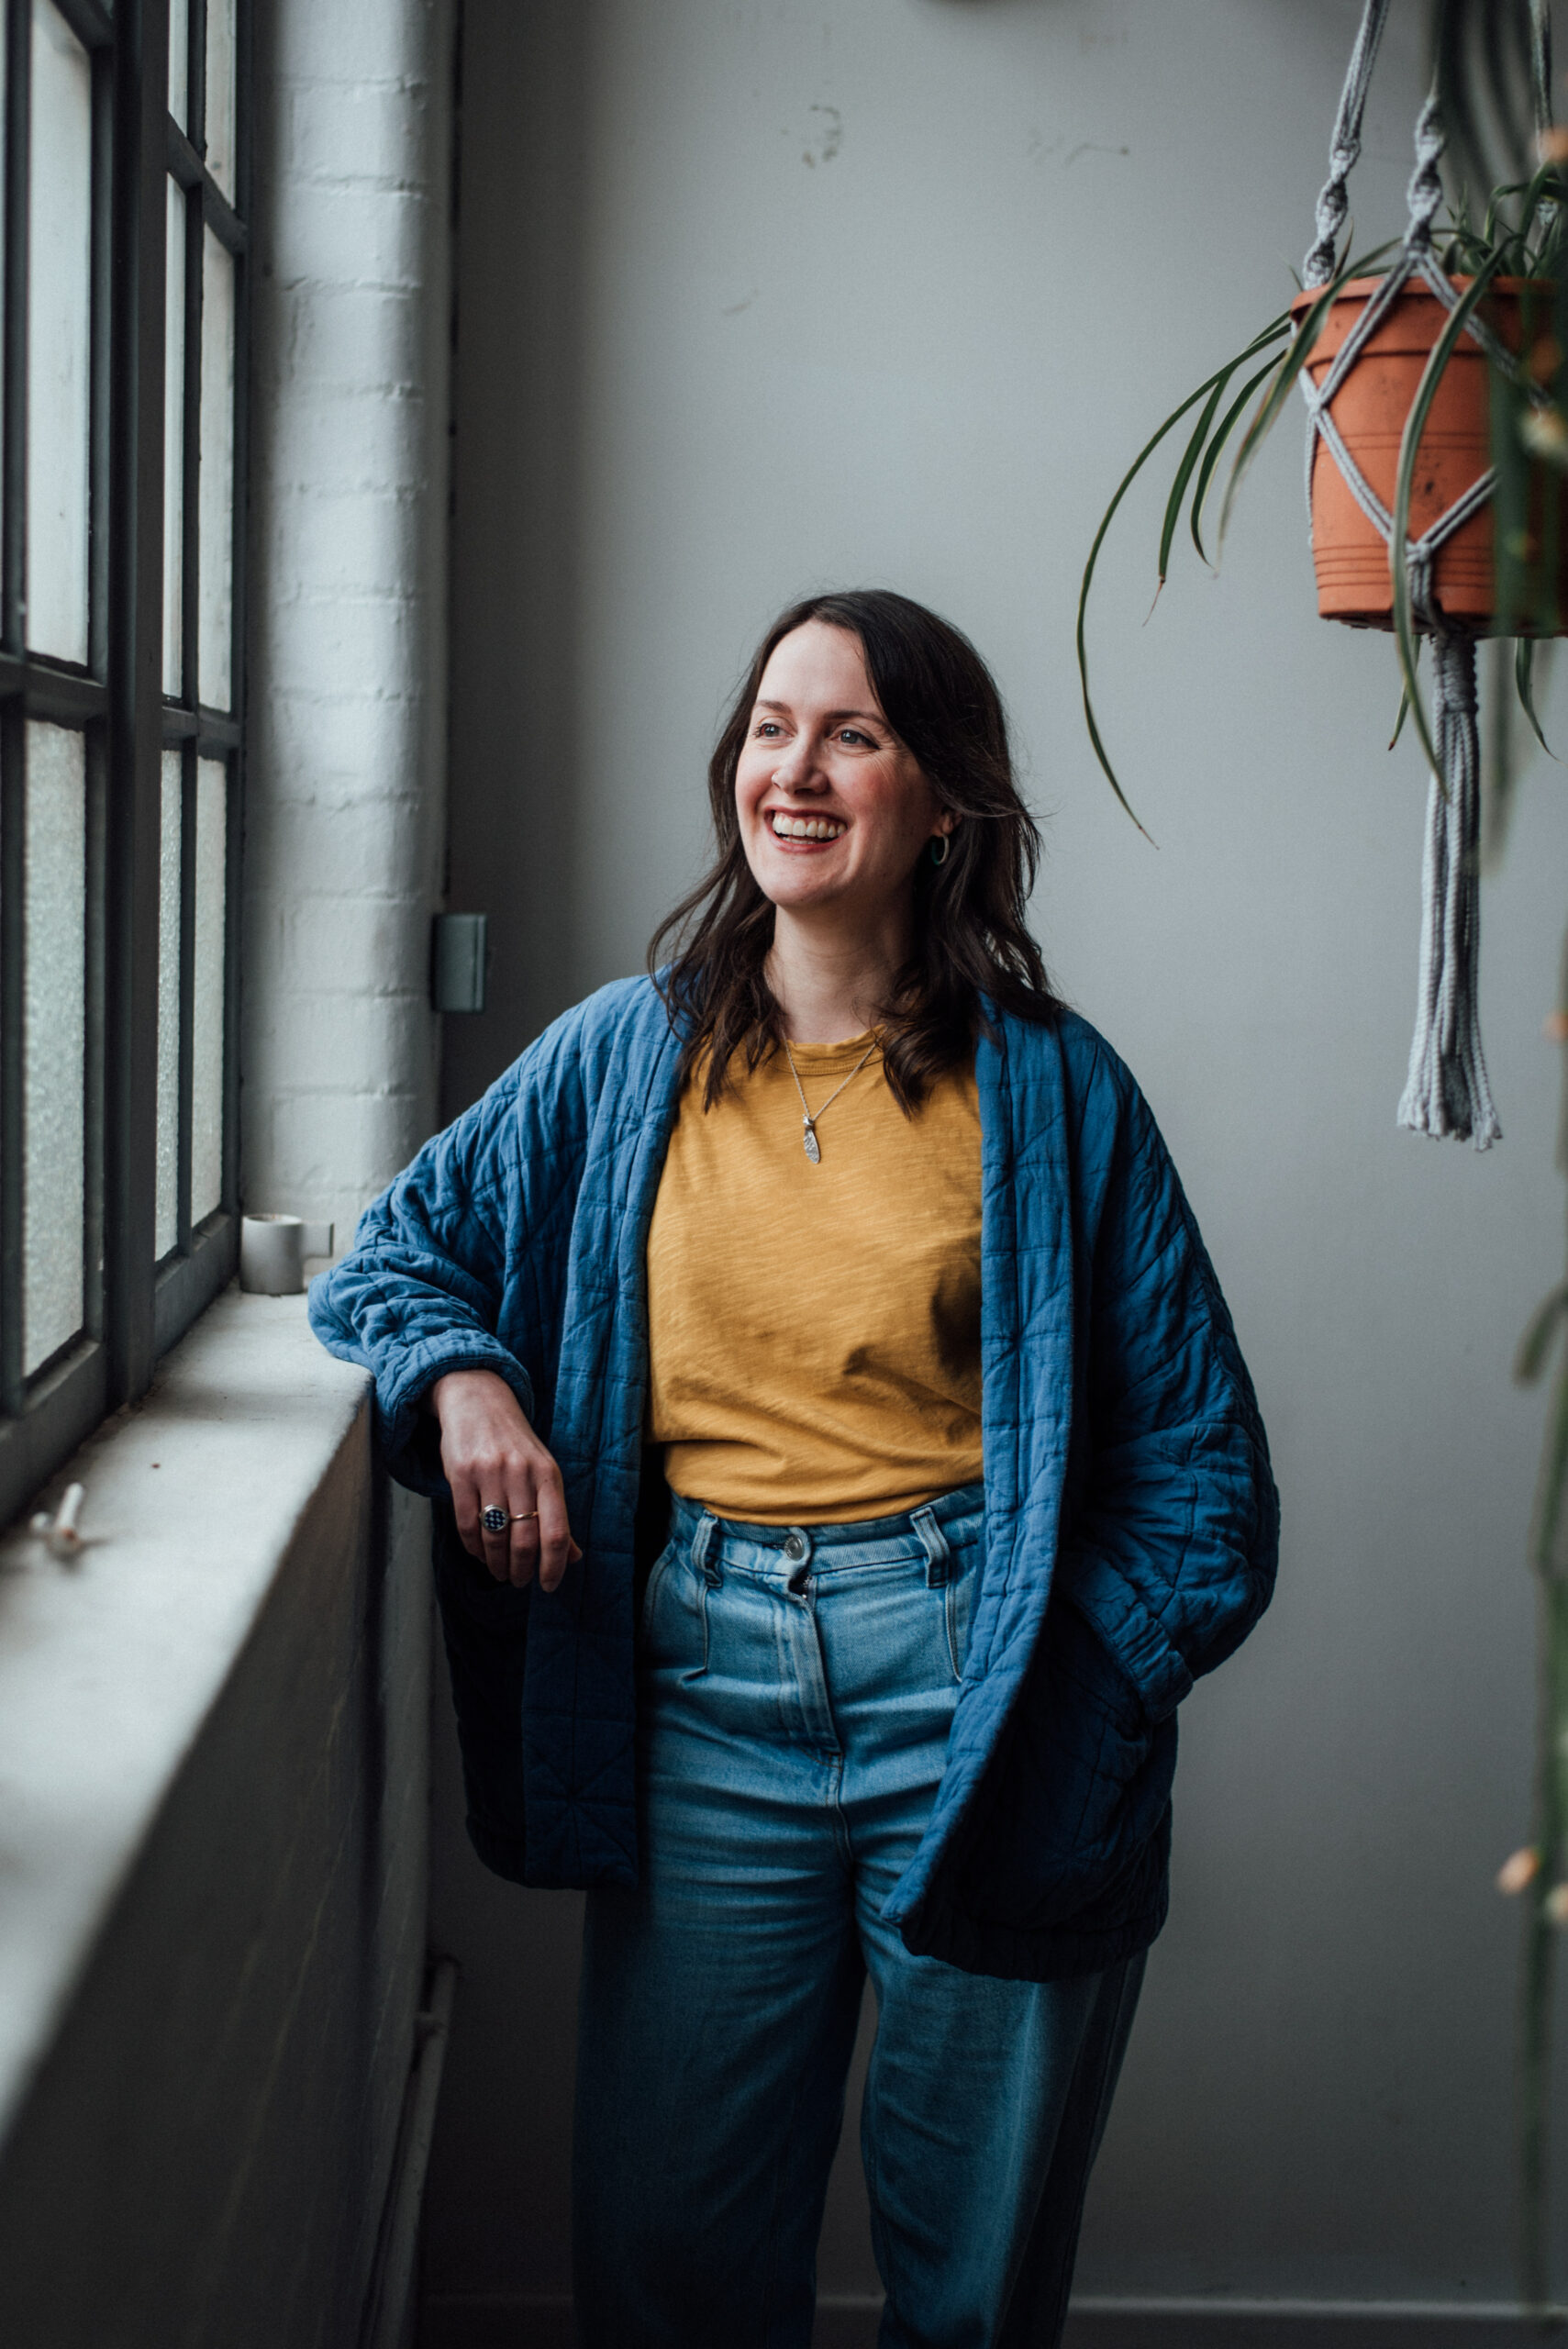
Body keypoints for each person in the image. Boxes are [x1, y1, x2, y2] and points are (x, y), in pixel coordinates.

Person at [308, 587, 1278, 2349]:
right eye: (770, 725)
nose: (796, 770)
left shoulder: (1056, 1093)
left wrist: (1092, 1682)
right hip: (706, 1695)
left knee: (969, 2287)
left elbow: (1202, 1470)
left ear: (944, 800)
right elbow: (389, 1260)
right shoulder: (623, 1055)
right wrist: (462, 1385)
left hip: (987, 1697)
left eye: (852, 733)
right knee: (675, 2271)